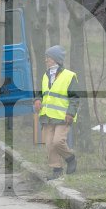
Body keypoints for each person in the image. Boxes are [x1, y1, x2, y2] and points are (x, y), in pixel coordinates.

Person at [33, 45, 79, 180]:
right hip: (47, 116)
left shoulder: (70, 76)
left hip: (63, 116)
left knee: (58, 142)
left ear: (55, 59)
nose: (46, 60)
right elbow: (41, 93)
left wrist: (70, 113)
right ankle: (56, 170)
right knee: (49, 144)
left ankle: (70, 158)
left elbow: (75, 97)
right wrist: (37, 100)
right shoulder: (45, 75)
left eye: (48, 57)